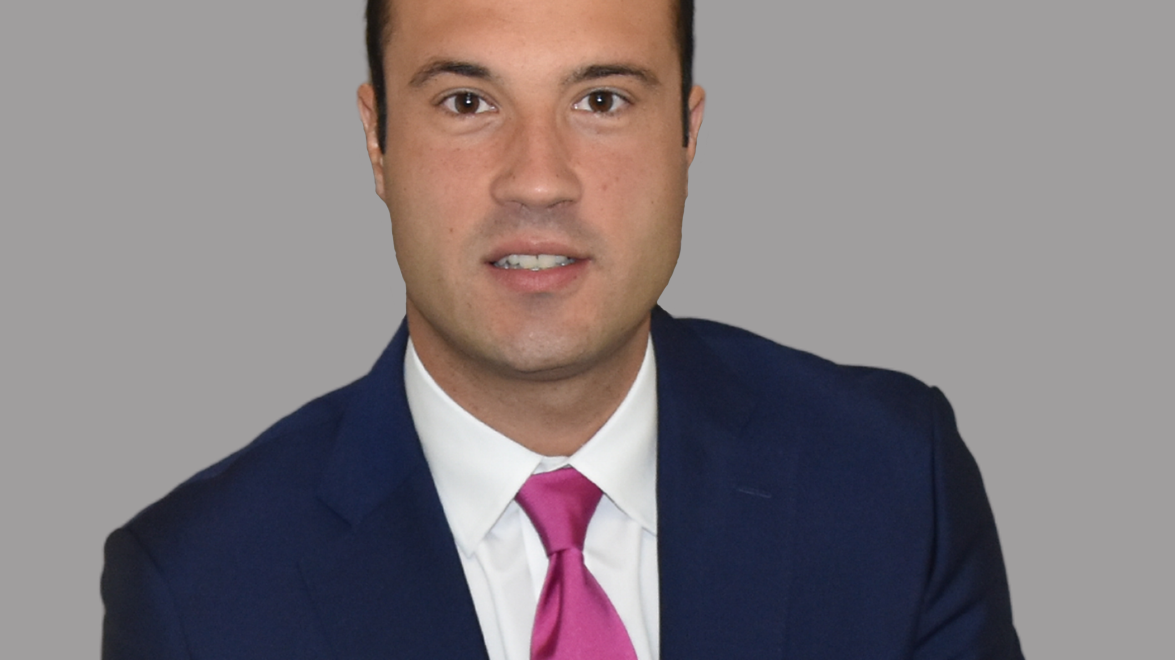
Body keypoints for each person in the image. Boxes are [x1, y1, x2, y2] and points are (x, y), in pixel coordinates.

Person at [101, 0, 1024, 657]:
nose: (538, 180)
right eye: (467, 103)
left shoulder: (893, 479)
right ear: (377, 141)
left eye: (601, 100)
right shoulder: (197, 591)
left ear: (686, 134)